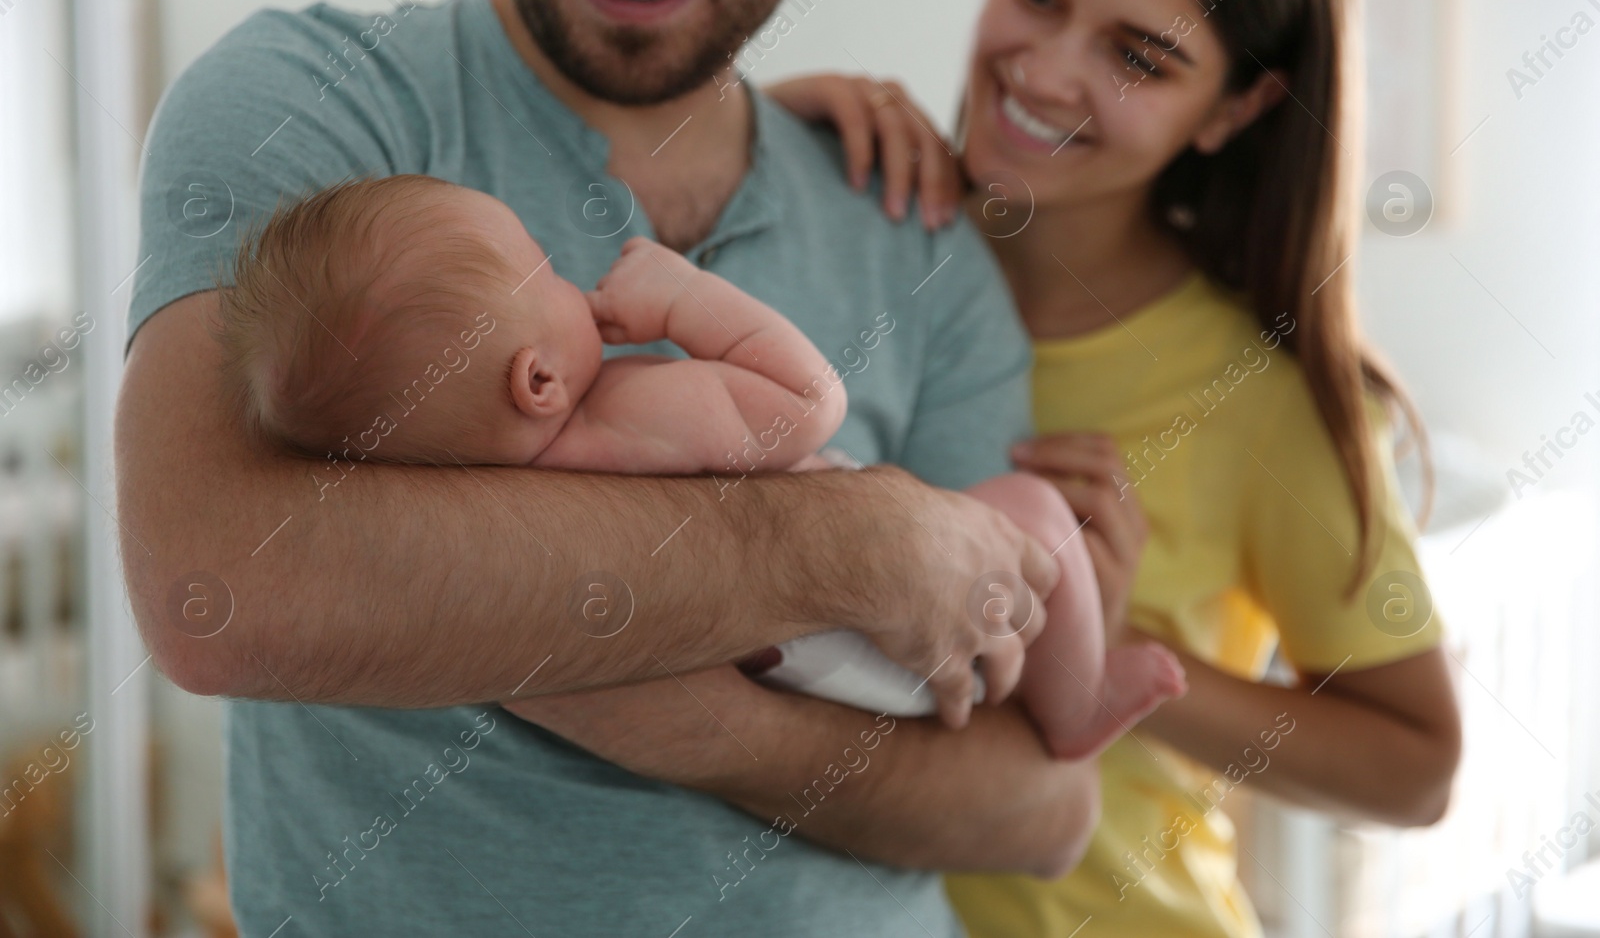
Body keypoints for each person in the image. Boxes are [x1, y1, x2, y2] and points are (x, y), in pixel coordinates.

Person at [115, 0, 1105, 935]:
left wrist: (630, 687)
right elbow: (215, 585)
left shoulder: (915, 227)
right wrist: (846, 545)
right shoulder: (314, 109)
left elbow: (1040, 808)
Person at [769, 0, 1463, 934]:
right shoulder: (854, 225)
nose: (1042, 70)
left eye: (1138, 56)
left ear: (1237, 106)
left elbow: (1415, 770)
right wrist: (753, 145)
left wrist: (1119, 645)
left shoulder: (1262, 399)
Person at [212, 173, 1184, 751]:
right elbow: (809, 406)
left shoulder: (485, 487)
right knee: (1033, 506)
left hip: (811, 651)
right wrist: (683, 299)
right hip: (869, 636)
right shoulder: (630, 407)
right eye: (544, 268)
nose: (567, 271)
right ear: (538, 380)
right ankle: (1075, 706)